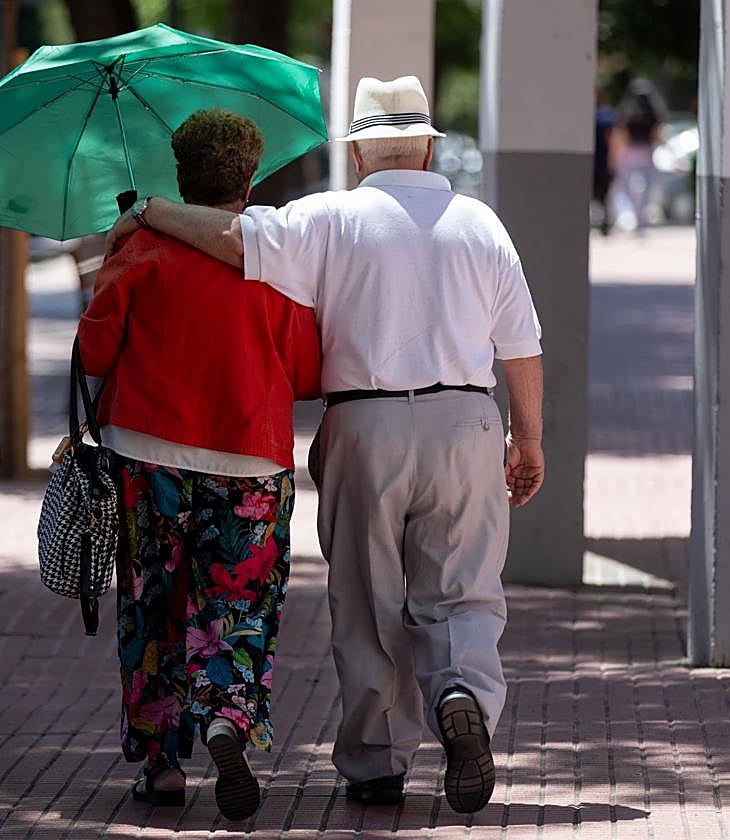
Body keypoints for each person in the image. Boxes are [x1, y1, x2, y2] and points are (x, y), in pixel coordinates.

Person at [106, 76, 545, 815]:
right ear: (430, 146)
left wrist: (147, 210)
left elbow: (230, 237)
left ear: (358, 152)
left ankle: (376, 764)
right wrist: (526, 437)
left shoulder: (330, 217)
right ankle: (462, 691)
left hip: (364, 424)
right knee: (463, 590)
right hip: (466, 420)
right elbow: (522, 346)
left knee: (367, 600)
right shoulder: (481, 224)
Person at [77, 109, 322, 821]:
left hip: (147, 458)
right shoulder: (278, 261)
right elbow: (305, 371)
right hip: (249, 460)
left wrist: (111, 262)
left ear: (180, 177)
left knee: (153, 605)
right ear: (248, 180)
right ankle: (227, 718)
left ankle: (159, 764)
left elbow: (94, 356)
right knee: (239, 603)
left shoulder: (139, 251)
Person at [613, 77, 667, 234]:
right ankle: (640, 219)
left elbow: (621, 134)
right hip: (646, 153)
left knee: (626, 188)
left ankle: (632, 216)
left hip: (630, 153)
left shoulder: (627, 110)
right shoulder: (654, 112)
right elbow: (658, 134)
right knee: (646, 189)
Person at [593, 88, 617, 236]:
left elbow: (613, 139)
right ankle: (604, 220)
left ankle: (605, 221)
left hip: (601, 161)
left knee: (603, 194)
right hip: (601, 161)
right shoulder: (605, 115)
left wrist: (613, 159)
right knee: (602, 195)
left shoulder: (604, 115)